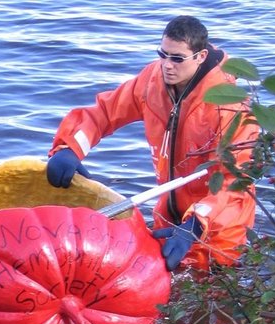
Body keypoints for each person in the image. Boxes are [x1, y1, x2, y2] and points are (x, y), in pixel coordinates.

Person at [46, 15, 258, 271]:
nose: (167, 65)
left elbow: (234, 182)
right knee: (163, 298)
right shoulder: (153, 81)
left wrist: (196, 223)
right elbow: (104, 113)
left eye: (177, 58)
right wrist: (69, 149)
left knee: (213, 297)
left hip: (218, 225)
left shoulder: (229, 105)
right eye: (163, 54)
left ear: (200, 56)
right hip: (168, 213)